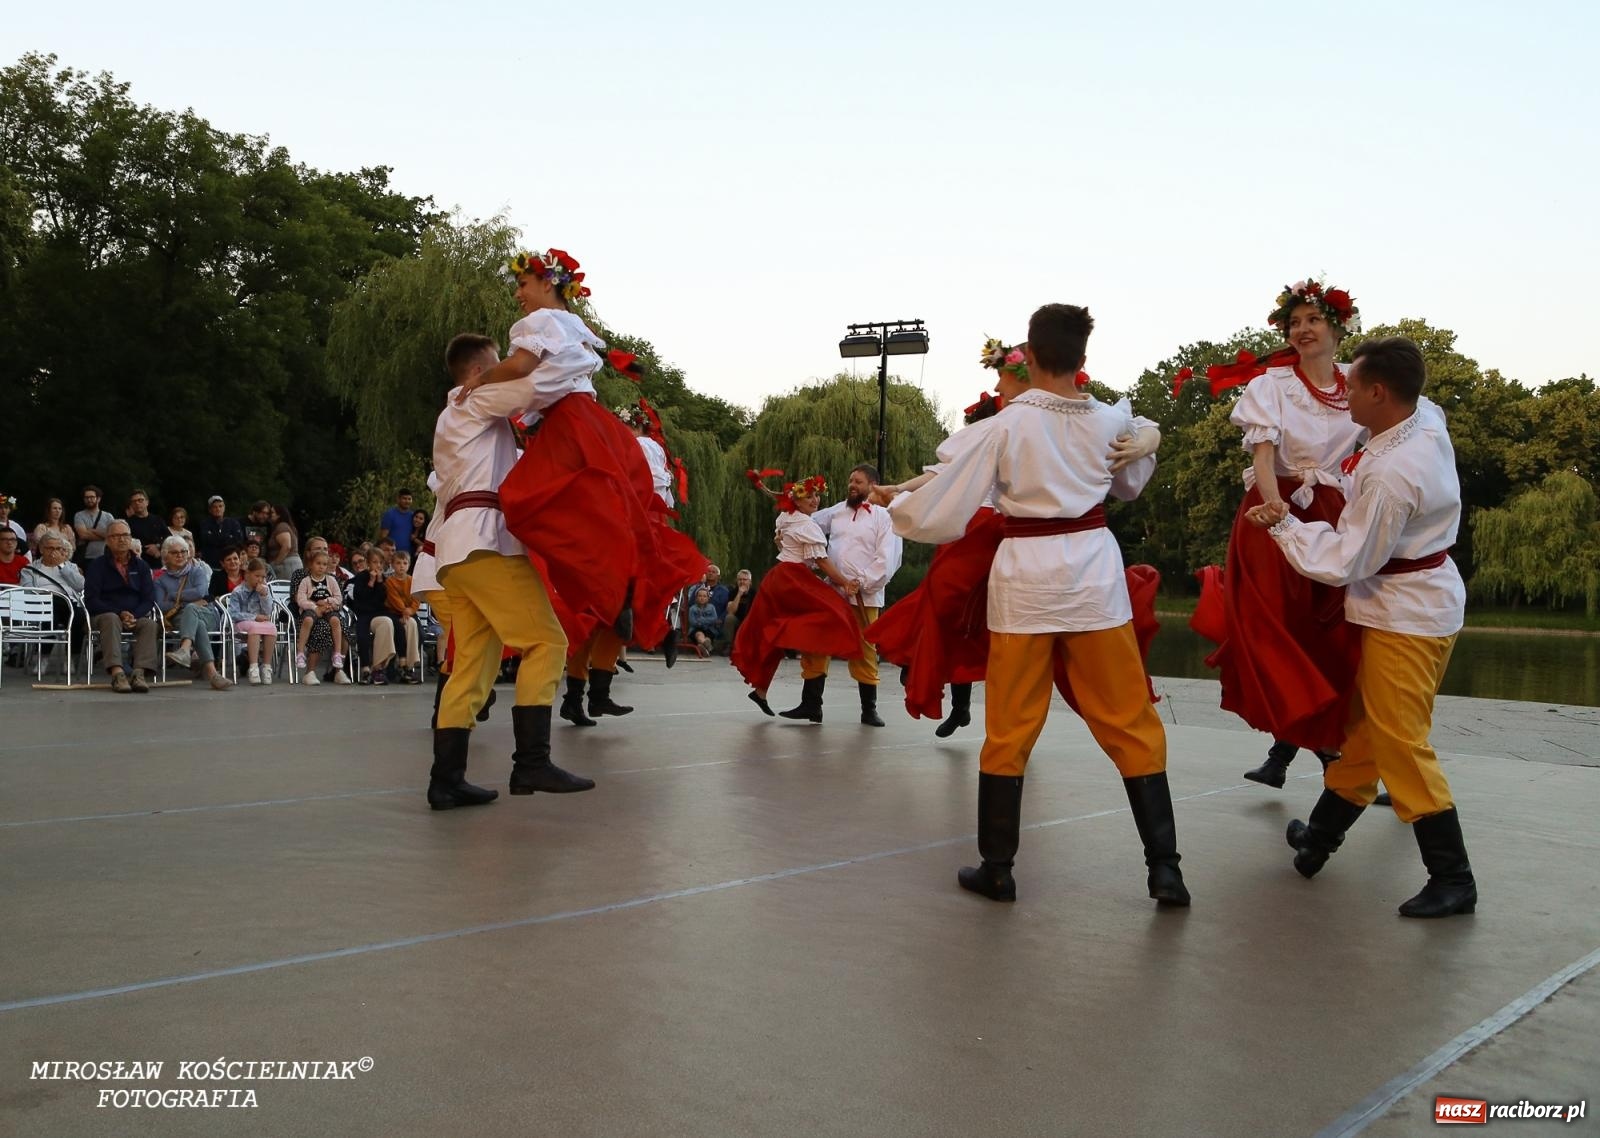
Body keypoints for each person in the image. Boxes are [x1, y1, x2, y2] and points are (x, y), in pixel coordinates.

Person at [890, 303, 1186, 907]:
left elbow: (946, 505)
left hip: (1025, 584)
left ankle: (998, 869)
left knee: (1011, 726)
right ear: (1083, 357)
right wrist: (1147, 436)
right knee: (1129, 720)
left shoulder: (1005, 425)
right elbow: (1131, 486)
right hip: (1095, 583)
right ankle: (1166, 871)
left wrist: (896, 510)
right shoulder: (1111, 421)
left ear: (1029, 354)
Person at [1247, 336, 1477, 918]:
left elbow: (1349, 560)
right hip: (1416, 602)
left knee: (1398, 740)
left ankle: (1453, 878)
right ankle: (1318, 840)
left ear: (1379, 393)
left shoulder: (1394, 473)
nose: (1341, 393)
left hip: (1406, 615)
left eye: (1351, 387)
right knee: (1367, 734)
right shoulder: (1423, 419)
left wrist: (1283, 527)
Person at [456, 247, 707, 658]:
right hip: (593, 421)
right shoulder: (574, 325)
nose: (517, 294)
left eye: (522, 283)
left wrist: (480, 380)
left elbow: (521, 366)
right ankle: (621, 586)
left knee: (521, 502)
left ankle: (608, 586)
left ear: (547, 282)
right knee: (592, 506)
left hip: (569, 423)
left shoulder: (538, 321)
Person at [1180, 279, 1366, 789]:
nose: (1302, 329)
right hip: (1273, 507)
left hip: (1333, 509)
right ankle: (1331, 762)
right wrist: (1274, 508)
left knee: (1329, 632)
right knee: (1278, 630)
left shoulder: (1356, 382)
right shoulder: (1272, 385)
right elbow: (1263, 454)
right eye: (1294, 323)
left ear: (1337, 328)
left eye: (1313, 320)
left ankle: (1302, 757)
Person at [423, 331, 593, 809]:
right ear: (479, 372)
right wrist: (578, 349)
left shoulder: (460, 417)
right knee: (547, 642)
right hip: (485, 544)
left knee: (472, 667)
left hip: (457, 552)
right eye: (499, 362)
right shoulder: (475, 400)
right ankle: (532, 762)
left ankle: (446, 780)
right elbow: (545, 381)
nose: (507, 367)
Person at [731, 472, 864, 718]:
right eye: (809, 497)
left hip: (779, 578)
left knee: (774, 636)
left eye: (817, 496)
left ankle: (761, 691)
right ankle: (817, 667)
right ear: (797, 501)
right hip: (791, 579)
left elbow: (785, 543)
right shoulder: (805, 525)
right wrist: (845, 582)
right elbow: (822, 562)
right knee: (836, 611)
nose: (815, 500)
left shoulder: (787, 517)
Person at [793, 465, 903, 726]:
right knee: (817, 640)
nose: (852, 485)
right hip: (832, 591)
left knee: (865, 649)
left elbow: (888, 558)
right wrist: (793, 504)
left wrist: (861, 582)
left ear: (873, 485)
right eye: (851, 480)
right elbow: (807, 522)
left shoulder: (884, 517)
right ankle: (811, 704)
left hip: (864, 594)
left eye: (859, 481)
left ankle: (869, 709)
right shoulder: (838, 511)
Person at [83, 520, 160, 693]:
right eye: (116, 536)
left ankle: (139, 673)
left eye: (125, 535)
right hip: (104, 615)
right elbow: (91, 600)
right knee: (111, 619)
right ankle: (117, 674)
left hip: (134, 616)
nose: (122, 539)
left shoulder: (141, 566)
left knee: (150, 624)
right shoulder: (97, 565)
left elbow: (149, 599)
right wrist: (119, 613)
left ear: (131, 538)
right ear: (108, 540)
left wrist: (134, 615)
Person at [153, 536, 233, 691]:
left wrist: (173, 595)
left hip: (207, 613)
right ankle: (213, 675)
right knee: (197, 622)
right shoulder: (160, 580)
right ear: (165, 556)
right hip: (179, 618)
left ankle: (184, 650)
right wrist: (190, 600)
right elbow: (161, 605)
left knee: (192, 610)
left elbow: (201, 592)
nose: (180, 555)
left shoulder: (197, 571)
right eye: (174, 552)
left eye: (183, 551)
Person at [20, 533, 87, 673]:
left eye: (58, 548)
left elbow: (80, 586)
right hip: (42, 603)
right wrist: (43, 597)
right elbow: (27, 591)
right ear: (41, 549)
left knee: (79, 617)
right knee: (49, 614)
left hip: (68, 602)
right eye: (50, 548)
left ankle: (70, 658)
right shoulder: (30, 569)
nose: (54, 552)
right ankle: (43, 657)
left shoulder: (71, 567)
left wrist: (62, 566)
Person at [293, 549, 352, 685]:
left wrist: (327, 602)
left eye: (324, 564)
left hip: (328, 609)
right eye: (318, 563)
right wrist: (315, 607)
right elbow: (300, 599)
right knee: (309, 620)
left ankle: (337, 656)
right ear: (311, 565)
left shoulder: (331, 580)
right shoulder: (305, 581)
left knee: (336, 621)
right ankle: (301, 653)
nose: (321, 567)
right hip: (311, 610)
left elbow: (339, 598)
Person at [227, 557, 279, 685]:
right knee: (254, 628)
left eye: (263, 577)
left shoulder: (264, 590)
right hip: (241, 624)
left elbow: (268, 611)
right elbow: (233, 614)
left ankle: (266, 667)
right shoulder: (238, 591)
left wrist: (264, 596)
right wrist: (254, 617)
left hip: (260, 623)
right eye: (257, 576)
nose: (260, 580)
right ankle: (253, 667)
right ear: (247, 574)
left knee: (272, 628)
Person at [383, 550, 424, 683]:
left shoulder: (412, 580)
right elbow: (394, 599)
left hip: (410, 612)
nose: (401, 566)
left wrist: (410, 610)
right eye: (398, 563)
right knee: (402, 629)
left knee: (418, 631)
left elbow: (416, 598)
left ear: (409, 565)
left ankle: (410, 666)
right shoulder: (390, 581)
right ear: (392, 565)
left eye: (405, 563)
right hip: (394, 612)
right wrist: (404, 611)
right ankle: (402, 665)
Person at [121, 489, 168, 569]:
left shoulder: (157, 520)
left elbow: (169, 537)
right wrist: (146, 549)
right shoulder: (127, 524)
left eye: (140, 500)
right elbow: (125, 541)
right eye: (134, 501)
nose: (137, 503)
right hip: (136, 564)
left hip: (158, 564)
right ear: (131, 505)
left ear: (147, 502)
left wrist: (158, 546)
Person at [197, 496, 245, 569]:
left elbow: (238, 540)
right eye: (215, 507)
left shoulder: (233, 523)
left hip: (230, 563)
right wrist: (228, 537)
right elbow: (206, 540)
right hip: (210, 563)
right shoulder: (204, 524)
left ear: (224, 508)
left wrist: (216, 537)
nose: (218, 509)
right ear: (210, 510)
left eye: (220, 506)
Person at [717, 569, 757, 655]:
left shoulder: (755, 593)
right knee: (729, 618)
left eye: (744, 580)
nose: (742, 582)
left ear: (750, 582)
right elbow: (731, 611)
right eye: (740, 579)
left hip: (751, 620)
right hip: (738, 619)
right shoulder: (733, 592)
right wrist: (739, 594)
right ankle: (729, 645)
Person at [74, 485, 114, 566]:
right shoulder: (79, 515)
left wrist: (92, 530)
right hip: (86, 558)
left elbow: (113, 534)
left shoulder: (108, 516)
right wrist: (105, 535)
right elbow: (83, 535)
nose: (89, 500)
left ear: (98, 499)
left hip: (105, 556)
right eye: (86, 497)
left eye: (92, 497)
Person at [29, 497, 76, 561]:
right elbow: (40, 547)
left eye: (60, 508)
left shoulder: (67, 528)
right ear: (49, 510)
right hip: (46, 561)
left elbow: (72, 548)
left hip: (65, 561)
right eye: (54, 508)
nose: (57, 511)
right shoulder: (41, 528)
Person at [267, 503, 301, 581]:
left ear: (279, 515)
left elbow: (287, 546)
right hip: (291, 563)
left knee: (285, 587)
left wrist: (276, 563)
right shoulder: (289, 527)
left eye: (272, 512)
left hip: (286, 565)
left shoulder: (282, 526)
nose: (270, 515)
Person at [378, 489, 417, 556]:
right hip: (392, 554)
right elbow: (383, 537)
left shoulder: (414, 516)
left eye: (409, 499)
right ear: (398, 499)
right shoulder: (390, 514)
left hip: (408, 556)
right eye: (404, 498)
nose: (407, 501)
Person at [686, 586, 720, 658]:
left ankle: (703, 647)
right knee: (699, 634)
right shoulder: (692, 608)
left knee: (708, 638)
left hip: (709, 629)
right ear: (696, 598)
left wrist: (701, 620)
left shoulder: (711, 607)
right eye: (700, 596)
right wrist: (706, 621)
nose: (702, 598)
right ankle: (708, 647)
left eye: (704, 596)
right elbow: (693, 622)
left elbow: (714, 619)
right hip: (696, 629)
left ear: (708, 598)